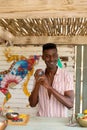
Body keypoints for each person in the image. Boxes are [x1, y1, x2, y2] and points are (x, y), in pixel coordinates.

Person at [29, 43, 74, 117]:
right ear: (43, 57)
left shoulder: (66, 76)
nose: (51, 59)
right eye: (47, 56)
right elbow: (32, 104)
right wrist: (37, 83)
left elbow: (70, 104)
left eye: (54, 55)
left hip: (59, 124)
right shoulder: (40, 75)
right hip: (42, 123)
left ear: (57, 56)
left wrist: (49, 87)